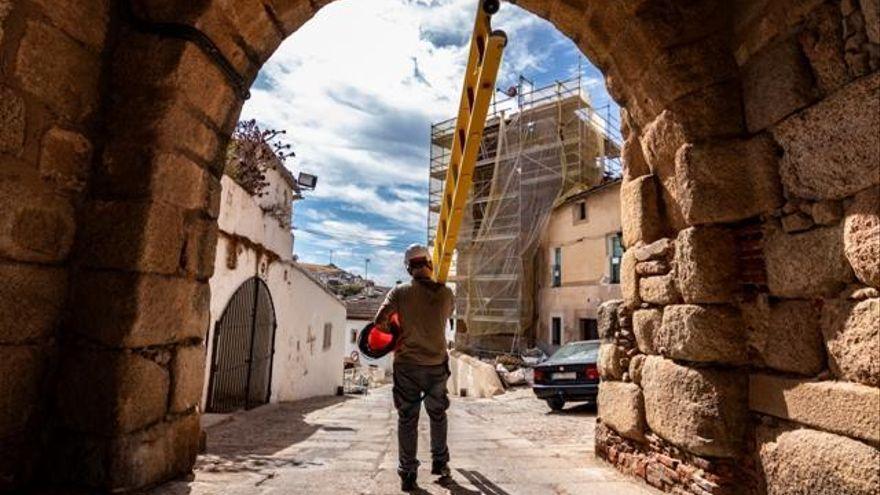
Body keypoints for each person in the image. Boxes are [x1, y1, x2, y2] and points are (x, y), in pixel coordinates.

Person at [374, 243, 455, 492]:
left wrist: (395, 332)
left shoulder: (399, 292)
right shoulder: (446, 293)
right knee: (437, 414)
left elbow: (379, 321)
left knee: (407, 418)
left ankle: (408, 472)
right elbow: (447, 315)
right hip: (435, 365)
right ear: (429, 264)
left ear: (409, 268)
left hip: (407, 365)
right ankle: (440, 463)